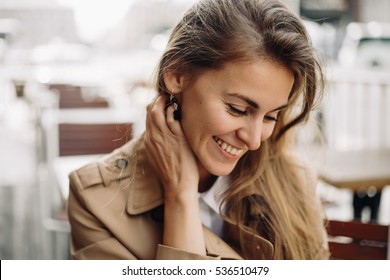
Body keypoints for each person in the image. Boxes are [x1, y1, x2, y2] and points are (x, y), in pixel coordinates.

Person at [68, 0, 330, 260]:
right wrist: (180, 195)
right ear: (177, 74)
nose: (253, 141)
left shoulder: (296, 179)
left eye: (271, 116)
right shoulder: (96, 202)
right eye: (237, 109)